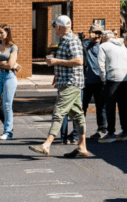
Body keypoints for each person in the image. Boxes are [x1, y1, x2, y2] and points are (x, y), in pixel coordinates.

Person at [30, 15, 91, 158]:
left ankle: (46, 144)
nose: (53, 29)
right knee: (77, 115)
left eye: (54, 26)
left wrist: (56, 61)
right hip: (68, 82)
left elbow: (79, 61)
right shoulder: (65, 40)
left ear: (58, 27)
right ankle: (82, 147)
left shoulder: (72, 40)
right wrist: (56, 62)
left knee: (59, 112)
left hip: (71, 83)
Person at [97, 30, 127, 142]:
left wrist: (103, 79)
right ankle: (126, 130)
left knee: (110, 106)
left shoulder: (103, 46)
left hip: (112, 78)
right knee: (124, 105)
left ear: (104, 38)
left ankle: (111, 132)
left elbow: (101, 64)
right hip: (125, 78)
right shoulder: (122, 46)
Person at [82, 24, 109, 140]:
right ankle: (79, 131)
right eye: (95, 32)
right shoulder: (85, 45)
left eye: (99, 33)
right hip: (86, 81)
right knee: (82, 106)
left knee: (101, 106)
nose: (97, 35)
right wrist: (88, 38)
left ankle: (102, 129)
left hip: (100, 81)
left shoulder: (103, 47)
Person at [0, 24, 19, 140]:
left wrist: (4, 64)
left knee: (7, 105)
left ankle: (8, 132)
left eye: (2, 32)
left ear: (7, 34)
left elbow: (11, 65)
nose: (0, 35)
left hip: (8, 77)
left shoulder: (13, 47)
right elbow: (8, 64)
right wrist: (3, 63)